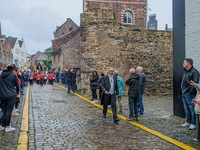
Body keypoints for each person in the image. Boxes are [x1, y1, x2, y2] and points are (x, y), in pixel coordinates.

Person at [181, 58, 199, 130]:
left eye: (184, 63)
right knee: (186, 108)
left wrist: (189, 91)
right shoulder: (185, 71)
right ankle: (188, 121)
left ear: (188, 64)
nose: (183, 64)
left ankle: (193, 123)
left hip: (189, 94)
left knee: (191, 108)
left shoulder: (195, 72)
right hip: (184, 93)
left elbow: (195, 83)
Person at [0, 64, 19, 132]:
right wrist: (17, 93)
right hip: (11, 95)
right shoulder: (13, 75)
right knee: (8, 111)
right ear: (13, 69)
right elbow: (17, 85)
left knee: (3, 110)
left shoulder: (1, 75)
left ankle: (1, 125)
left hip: (2, 95)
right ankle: (7, 126)